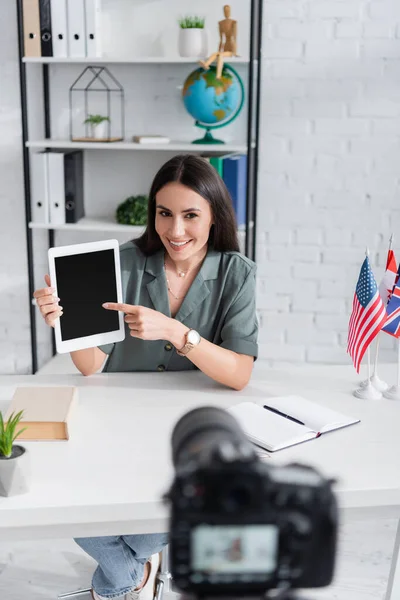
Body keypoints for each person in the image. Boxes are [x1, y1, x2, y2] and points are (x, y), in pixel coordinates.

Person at [33, 154, 258, 600]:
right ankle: (132, 575)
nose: (175, 231)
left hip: (186, 429)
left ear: (214, 216)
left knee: (191, 496)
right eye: (164, 213)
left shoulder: (236, 273)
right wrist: (66, 325)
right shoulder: (119, 262)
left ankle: (116, 581)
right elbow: (92, 366)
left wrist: (176, 332)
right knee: (54, 497)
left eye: (191, 215)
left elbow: (239, 373)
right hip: (114, 421)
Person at [199, 5, 238, 79]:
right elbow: (221, 39)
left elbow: (235, 37)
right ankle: (206, 64)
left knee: (220, 56)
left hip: (231, 48)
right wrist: (219, 50)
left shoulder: (234, 22)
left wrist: (235, 52)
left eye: (228, 11)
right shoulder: (221, 23)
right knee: (215, 54)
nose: (227, 13)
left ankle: (218, 75)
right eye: (225, 11)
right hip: (225, 46)